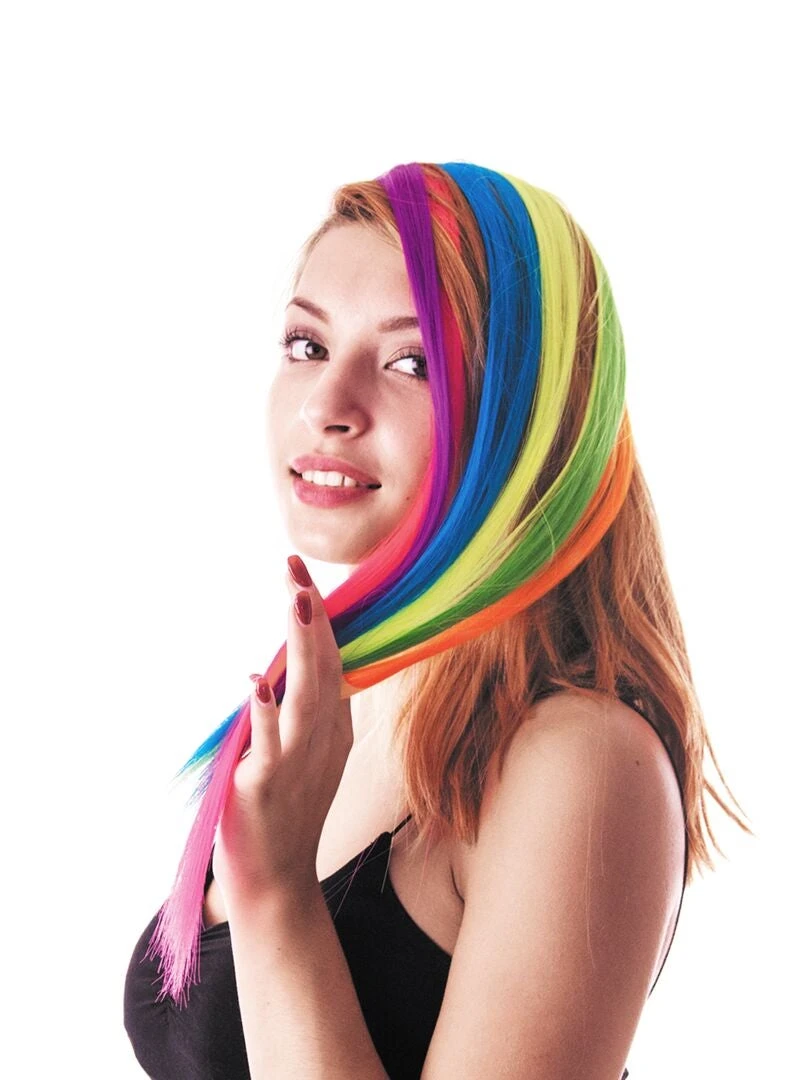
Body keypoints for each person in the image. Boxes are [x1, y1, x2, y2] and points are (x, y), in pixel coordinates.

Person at [123, 161, 747, 1079]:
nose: (326, 407)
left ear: (528, 414)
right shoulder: (345, 700)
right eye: (307, 344)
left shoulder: (581, 760)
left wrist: (277, 893)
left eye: (412, 363)